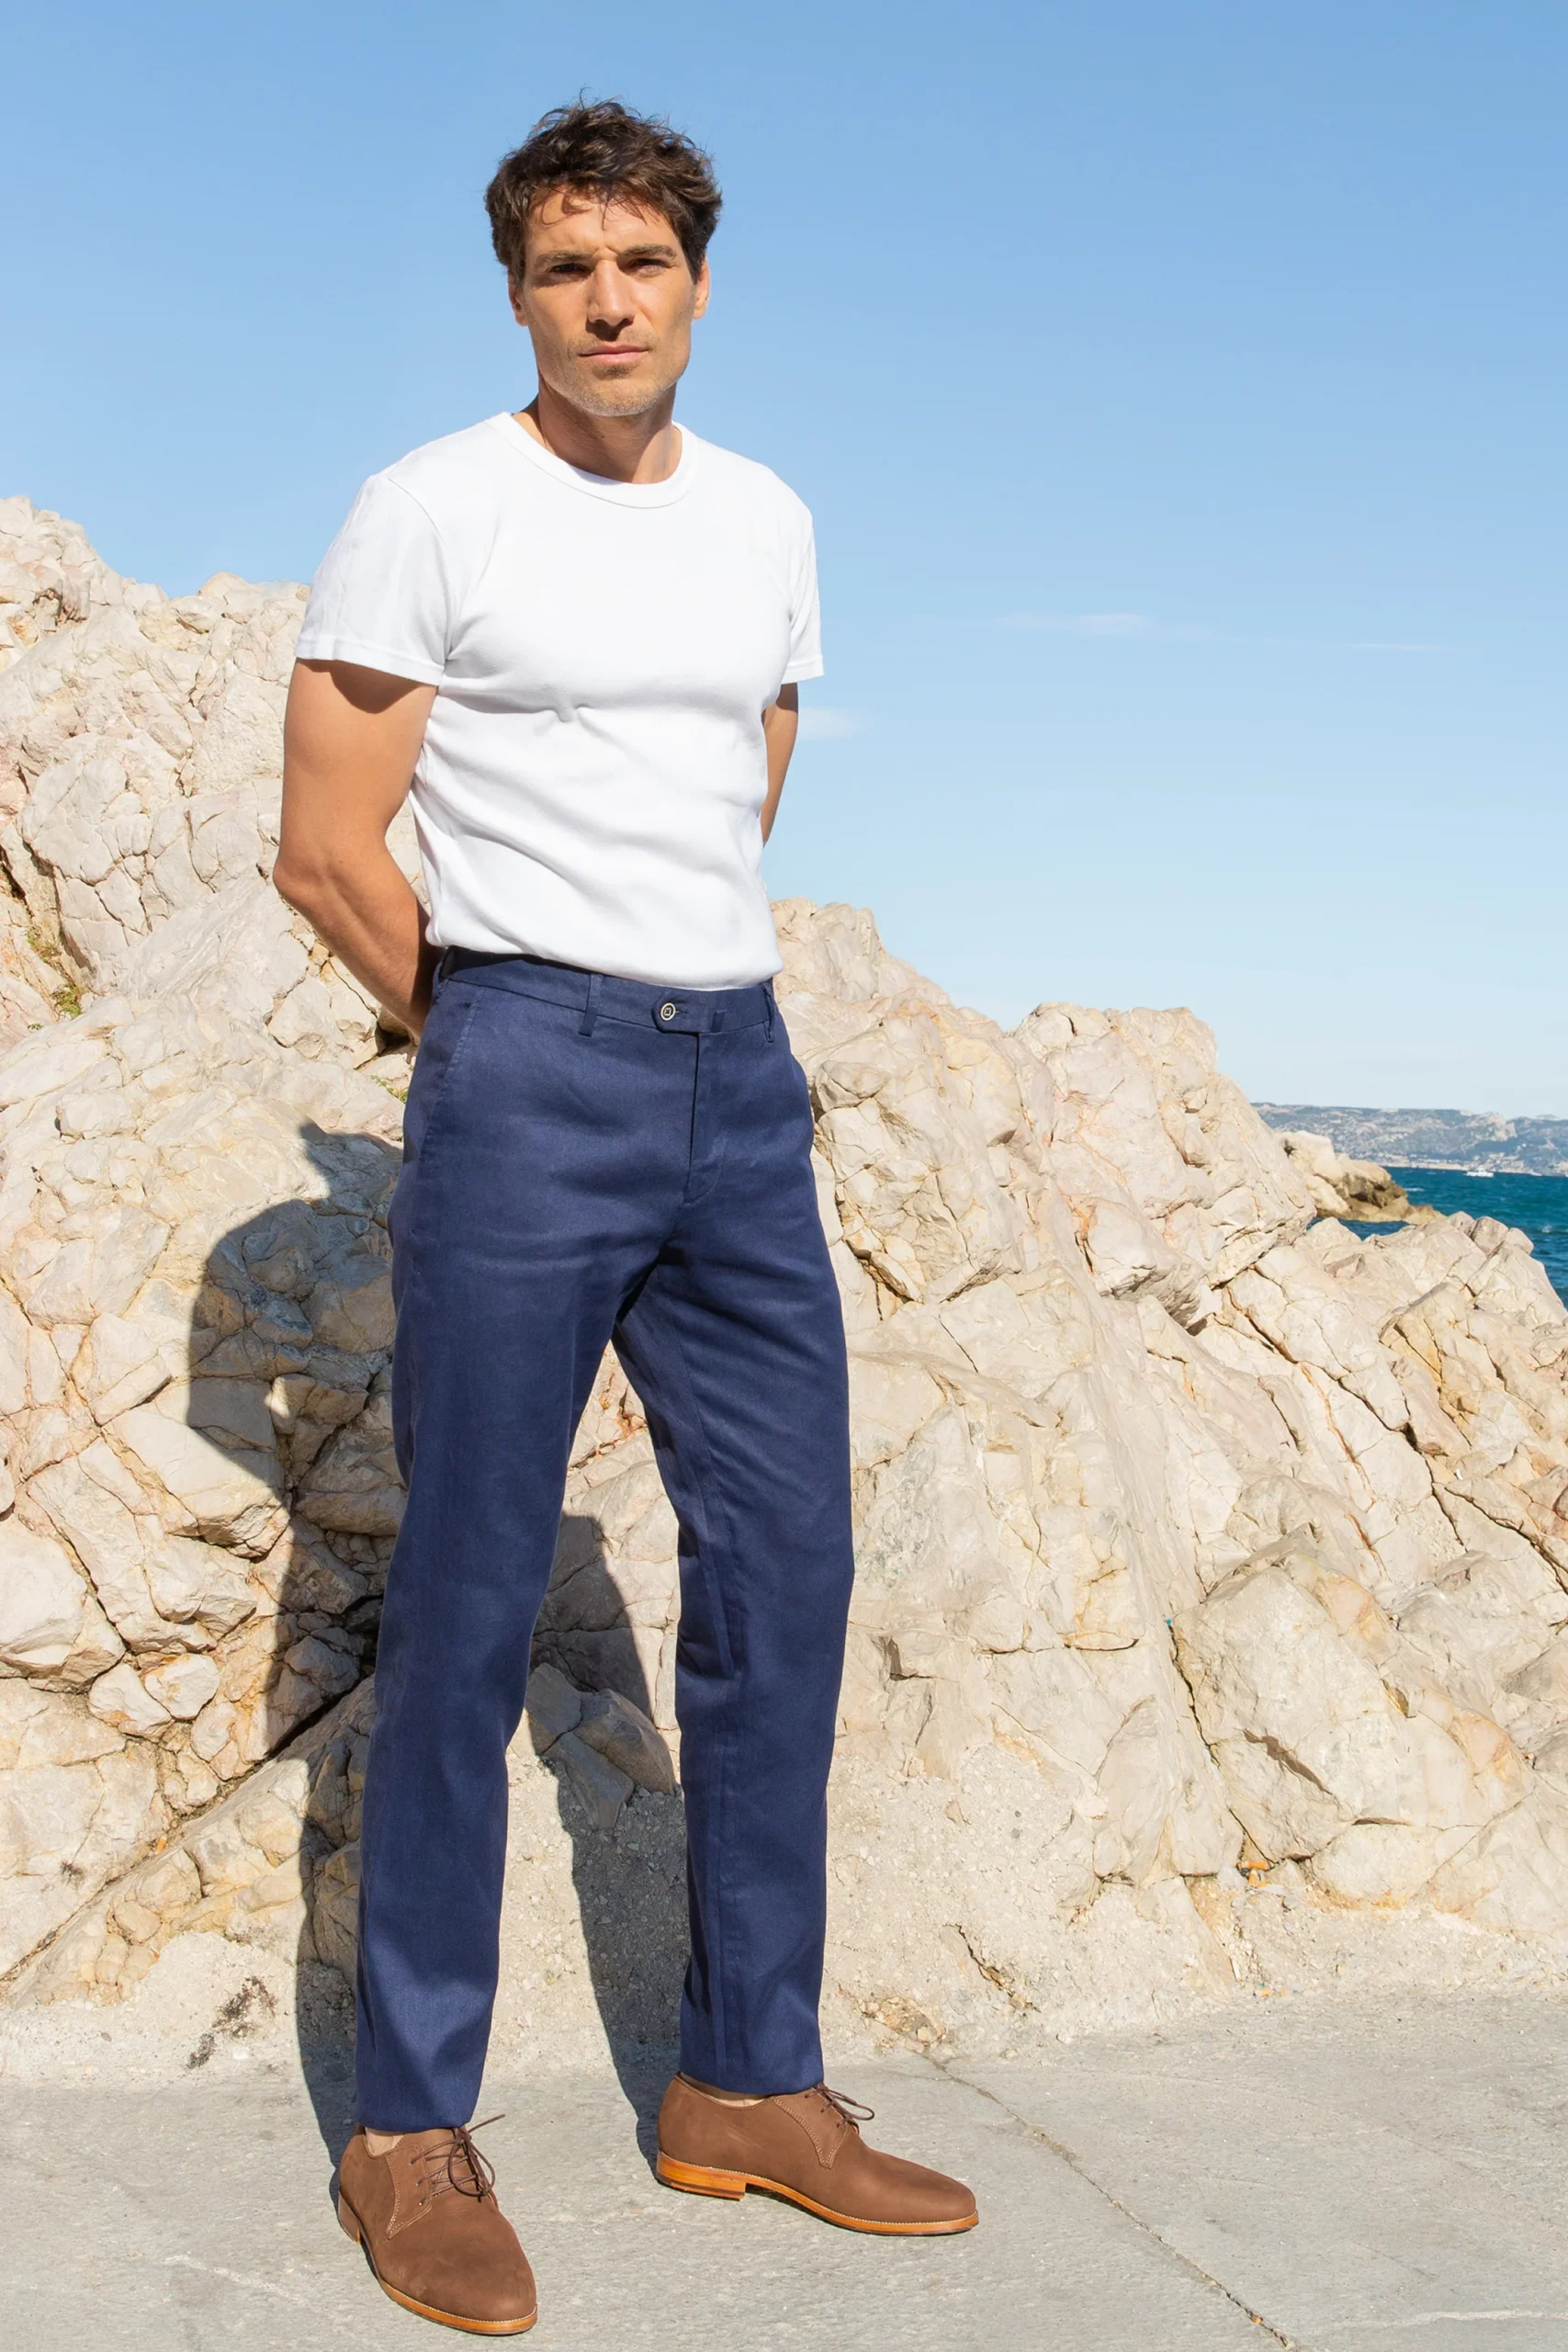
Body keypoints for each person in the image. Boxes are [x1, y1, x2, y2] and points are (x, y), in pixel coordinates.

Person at [276, 98, 976, 2335]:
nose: (606, 301)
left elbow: (748, 750)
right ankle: (408, 2125)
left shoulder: (764, 516)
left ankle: (747, 2077)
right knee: (469, 1595)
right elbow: (326, 843)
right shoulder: (431, 506)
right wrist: (494, 1027)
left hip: (738, 1081)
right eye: (566, 267)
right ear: (517, 294)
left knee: (787, 1570)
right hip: (525, 1069)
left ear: (695, 283)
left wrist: (673, 980)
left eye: (641, 263)